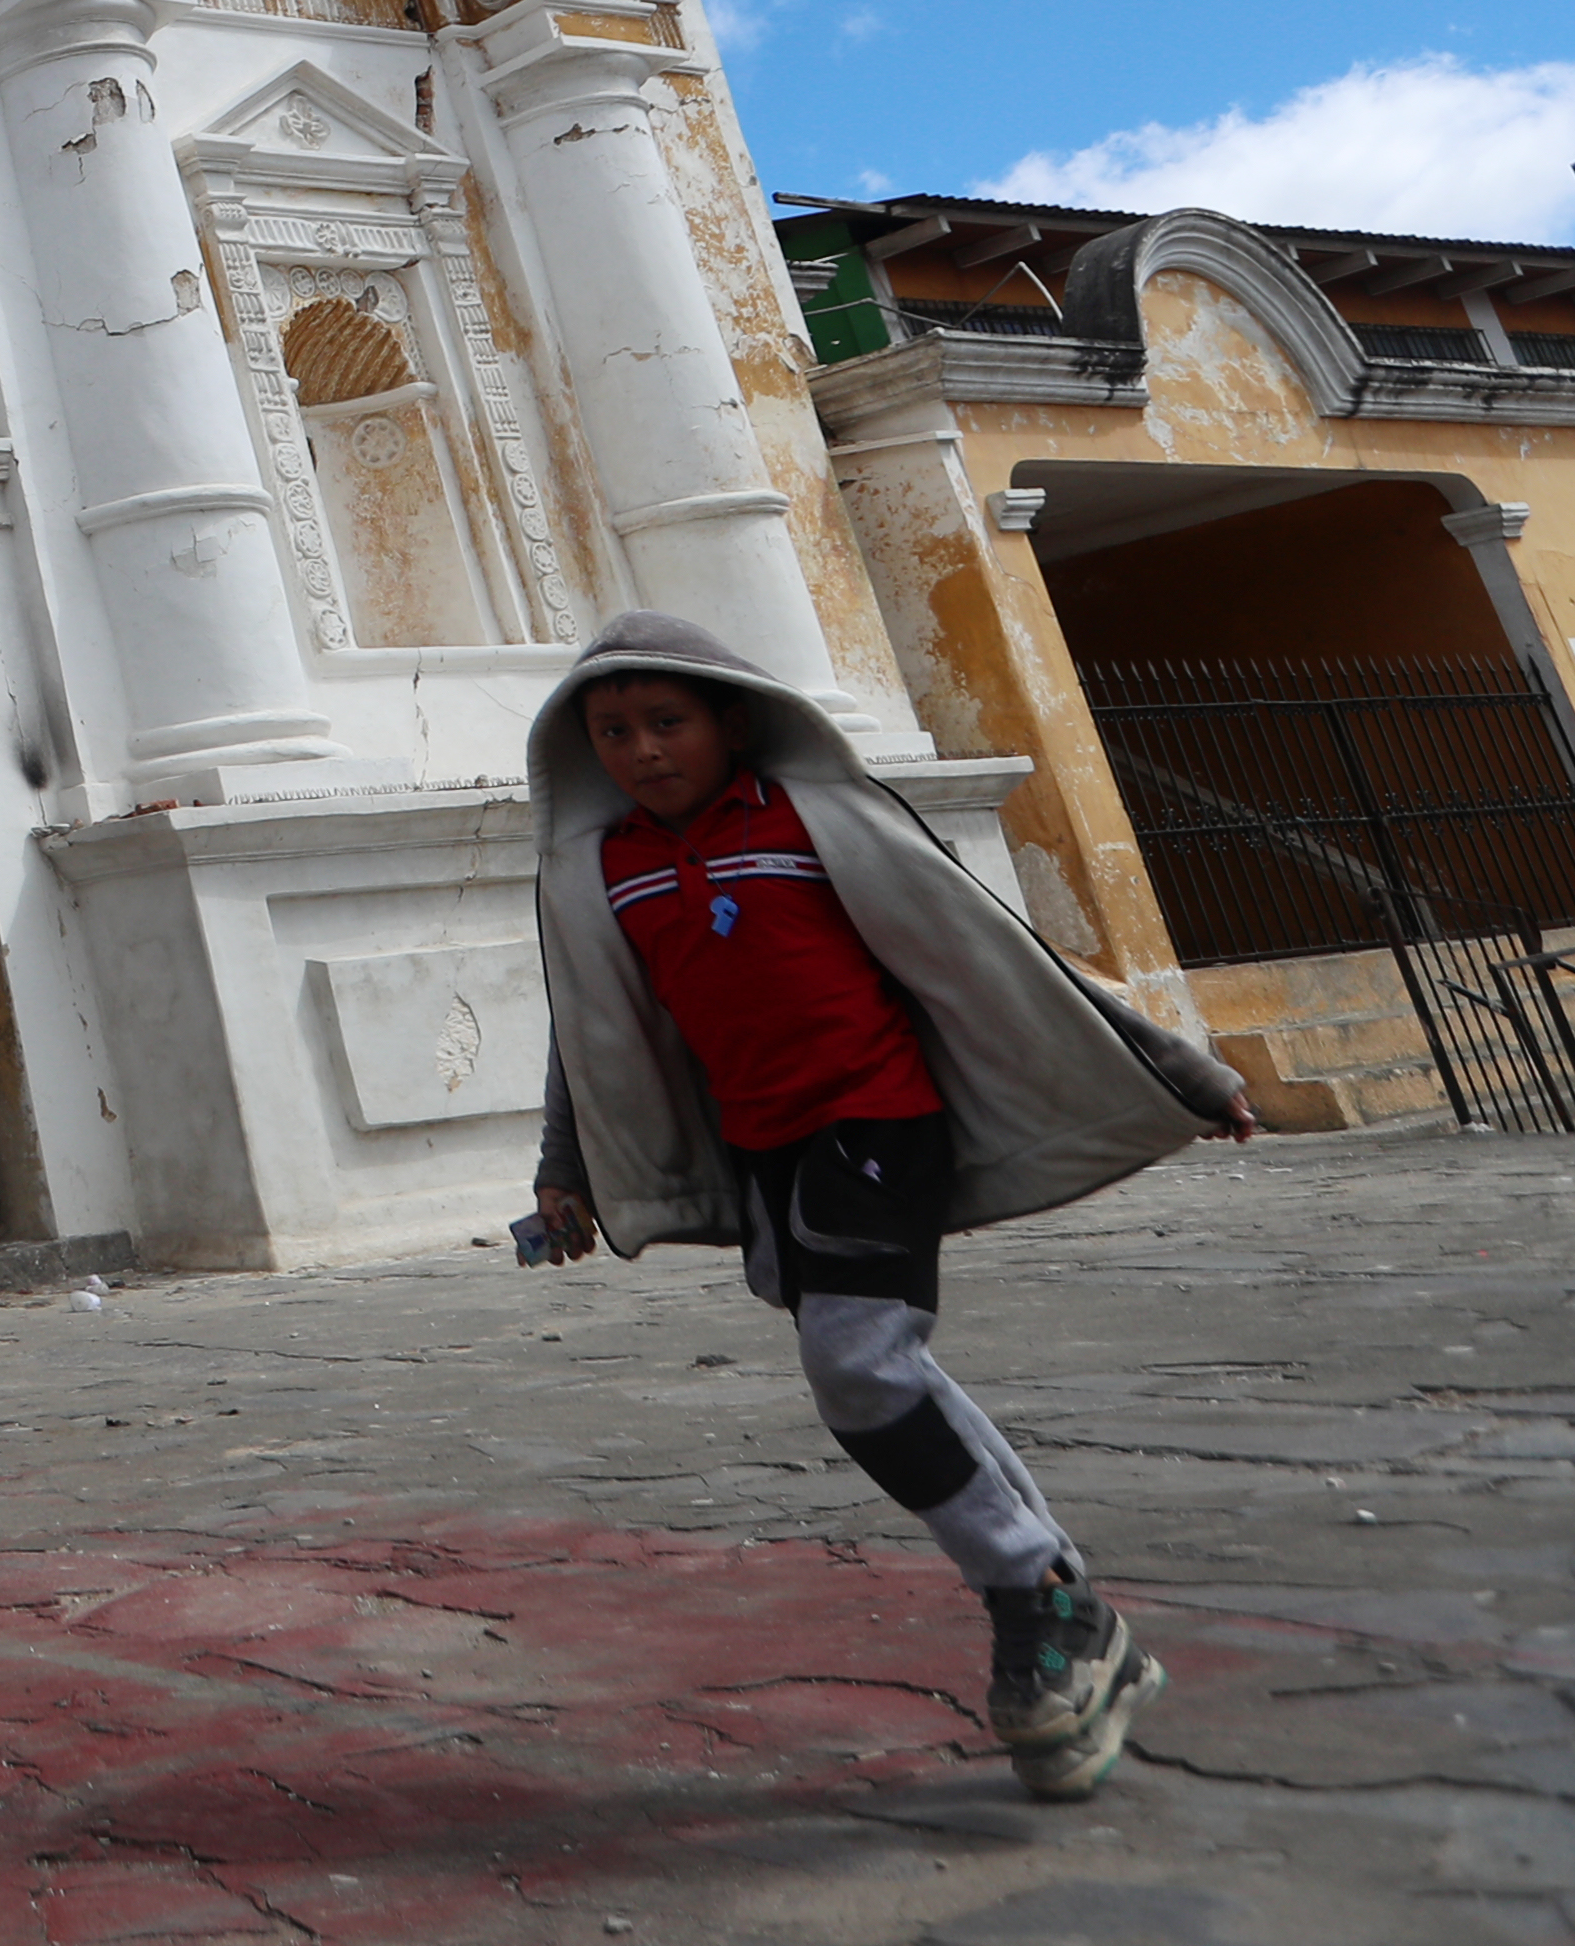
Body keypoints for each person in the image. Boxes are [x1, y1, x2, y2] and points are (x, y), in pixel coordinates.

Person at [521, 611, 1256, 1801]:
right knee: (886, 1369)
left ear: (734, 722)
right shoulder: (605, 870)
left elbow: (1003, 952)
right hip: (763, 1150)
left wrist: (1180, 1067)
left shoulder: (824, 822)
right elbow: (589, 1033)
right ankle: (1067, 1600)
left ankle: (1033, 1595)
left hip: (876, 1121)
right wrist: (565, 1170)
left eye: (667, 722)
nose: (644, 750)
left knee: (858, 1367)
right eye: (613, 731)